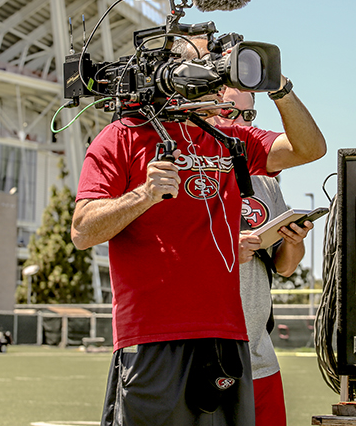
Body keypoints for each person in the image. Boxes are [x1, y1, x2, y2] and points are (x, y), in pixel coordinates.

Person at [70, 35, 326, 426]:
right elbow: (83, 231)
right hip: (153, 337)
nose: (218, 79)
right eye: (208, 67)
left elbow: (309, 149)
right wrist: (144, 196)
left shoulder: (227, 138)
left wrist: (279, 87)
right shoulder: (121, 136)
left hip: (226, 336)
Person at [216, 87, 311, 426]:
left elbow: (285, 266)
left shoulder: (265, 181)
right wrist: (226, 248)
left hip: (259, 355)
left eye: (247, 115)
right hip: (202, 356)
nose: (240, 123)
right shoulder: (185, 171)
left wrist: (295, 241)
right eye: (230, 112)